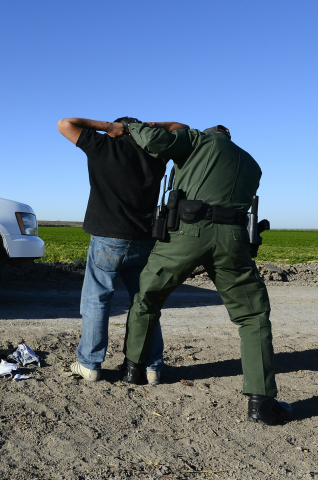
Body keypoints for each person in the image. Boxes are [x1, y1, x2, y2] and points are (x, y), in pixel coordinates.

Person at [118, 121, 292, 425]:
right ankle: (261, 403)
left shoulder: (197, 140)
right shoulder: (252, 164)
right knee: (252, 317)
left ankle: (133, 370)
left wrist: (132, 125)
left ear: (211, 133)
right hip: (235, 240)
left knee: (147, 298)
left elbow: (154, 140)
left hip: (187, 233)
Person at [57, 117, 180, 384]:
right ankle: (151, 366)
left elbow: (65, 123)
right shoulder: (156, 152)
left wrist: (107, 127)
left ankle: (89, 363)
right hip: (145, 240)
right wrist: (151, 127)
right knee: (145, 304)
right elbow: (182, 128)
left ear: (116, 131)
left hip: (107, 238)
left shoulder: (102, 145)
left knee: (96, 300)